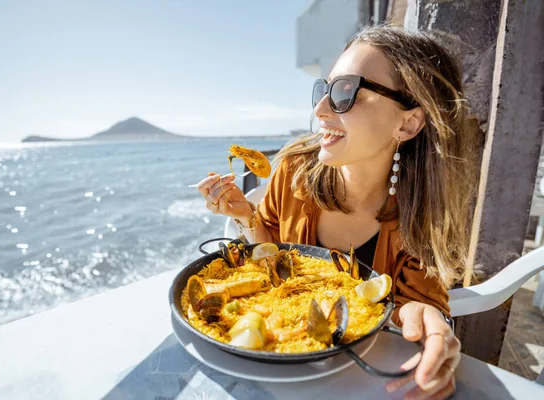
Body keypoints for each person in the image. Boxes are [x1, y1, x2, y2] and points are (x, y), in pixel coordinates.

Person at [197, 25, 480, 399]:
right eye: (325, 89)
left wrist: (432, 326)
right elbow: (269, 252)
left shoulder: (423, 210)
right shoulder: (294, 169)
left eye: (346, 92)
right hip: (270, 364)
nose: (319, 109)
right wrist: (245, 215)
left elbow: (420, 303)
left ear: (408, 122)